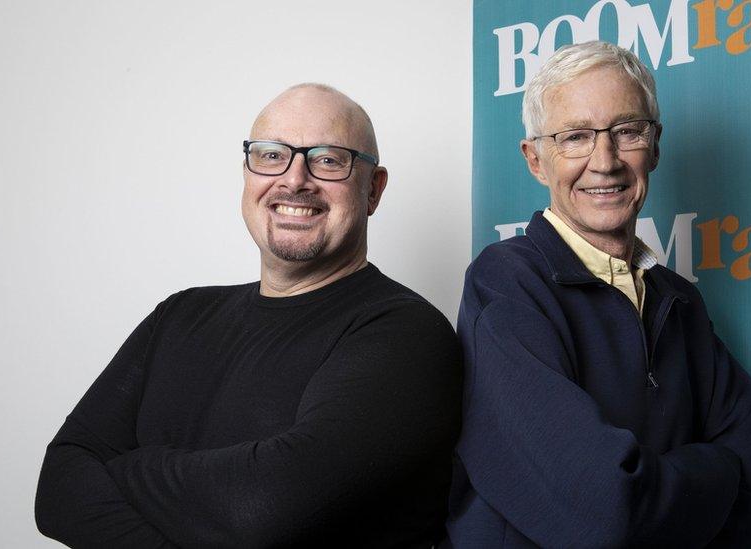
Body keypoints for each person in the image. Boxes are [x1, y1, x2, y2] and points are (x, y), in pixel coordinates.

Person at [35, 83, 462, 548]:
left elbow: (265, 507)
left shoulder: (406, 334)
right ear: (247, 173)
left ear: (373, 190)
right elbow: (57, 490)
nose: (295, 179)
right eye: (271, 155)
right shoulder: (178, 316)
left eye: (327, 159)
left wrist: (131, 466)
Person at [447, 41, 751, 548]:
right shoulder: (506, 283)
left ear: (655, 145)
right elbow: (601, 510)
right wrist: (718, 468)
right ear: (536, 159)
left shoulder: (678, 299)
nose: (605, 162)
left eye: (626, 131)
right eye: (575, 137)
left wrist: (657, 487)